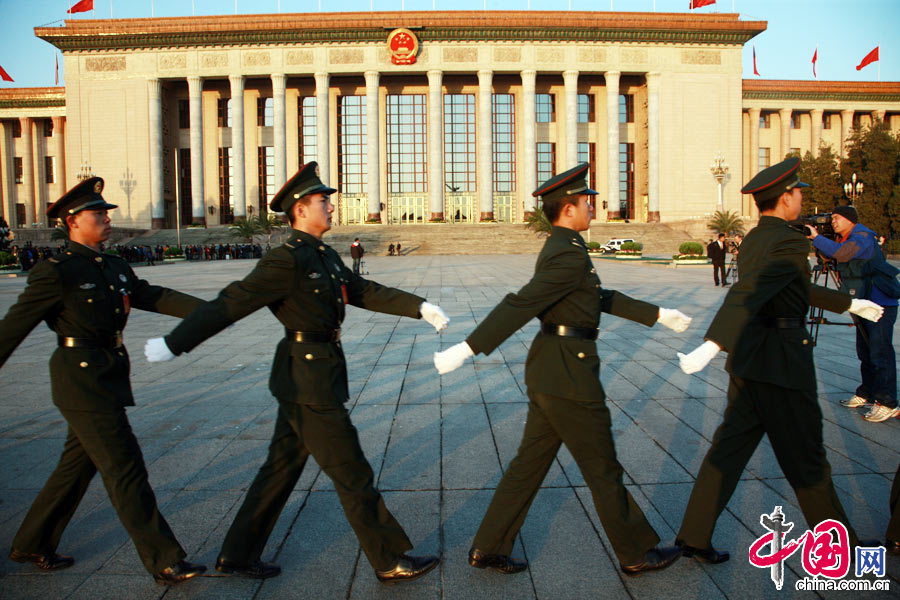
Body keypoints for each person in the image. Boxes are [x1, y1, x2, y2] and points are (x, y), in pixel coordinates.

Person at [143, 162, 448, 585]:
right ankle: (388, 557)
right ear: (301, 210)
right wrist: (176, 342)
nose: (331, 206)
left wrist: (419, 307)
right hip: (308, 380)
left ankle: (237, 555)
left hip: (312, 374)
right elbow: (234, 299)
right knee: (351, 469)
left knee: (280, 468)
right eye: (324, 201)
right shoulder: (284, 260)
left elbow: (362, 291)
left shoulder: (322, 255)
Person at [433, 163, 691, 576]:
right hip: (570, 374)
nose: (594, 205)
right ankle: (635, 552)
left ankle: (489, 547)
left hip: (554, 370)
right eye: (587, 200)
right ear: (568, 209)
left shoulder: (566, 248)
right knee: (601, 466)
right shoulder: (566, 253)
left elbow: (598, 297)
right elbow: (523, 302)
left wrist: (658, 313)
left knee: (529, 464)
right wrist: (467, 348)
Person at [675, 157, 884, 563]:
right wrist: (712, 343)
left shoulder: (755, 238)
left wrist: (851, 304)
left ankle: (695, 535)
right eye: (799, 192)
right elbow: (749, 291)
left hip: (750, 359)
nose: (802, 197)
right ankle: (841, 550)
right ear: (785, 197)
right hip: (783, 362)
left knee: (728, 452)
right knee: (806, 457)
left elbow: (795, 288)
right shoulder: (789, 240)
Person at [0, 177, 207, 585]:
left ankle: (33, 542)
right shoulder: (56, 271)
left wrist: (215, 310)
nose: (107, 219)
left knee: (76, 467)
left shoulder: (112, 265)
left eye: (107, 212)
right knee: (124, 467)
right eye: (98, 213)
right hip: (80, 381)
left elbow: (153, 295)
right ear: (72, 221)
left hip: (109, 376)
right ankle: (164, 558)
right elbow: (13, 327)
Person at [806, 205, 900, 423]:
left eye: (837, 218)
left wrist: (817, 238)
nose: (833, 222)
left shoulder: (863, 237)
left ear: (850, 220)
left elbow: (844, 253)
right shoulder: (845, 238)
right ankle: (867, 393)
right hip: (863, 301)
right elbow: (835, 257)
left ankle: (887, 403)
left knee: (879, 351)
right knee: (865, 350)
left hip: (880, 303)